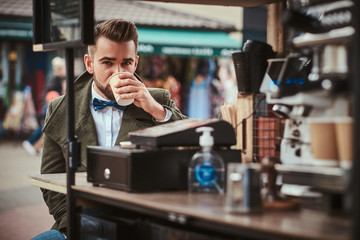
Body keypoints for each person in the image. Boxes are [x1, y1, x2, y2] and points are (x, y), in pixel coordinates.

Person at [32, 19, 187, 240]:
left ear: (135, 64)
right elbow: (51, 181)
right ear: (89, 63)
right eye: (107, 62)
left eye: (126, 63)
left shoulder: (158, 100)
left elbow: (194, 143)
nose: (119, 71)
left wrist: (156, 110)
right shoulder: (62, 108)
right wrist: (75, 224)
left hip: (142, 223)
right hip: (81, 221)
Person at [22, 90, 60, 156]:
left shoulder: (47, 107)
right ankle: (31, 143)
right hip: (46, 125)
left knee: (43, 136)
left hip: (45, 125)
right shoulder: (48, 107)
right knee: (43, 136)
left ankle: (35, 148)